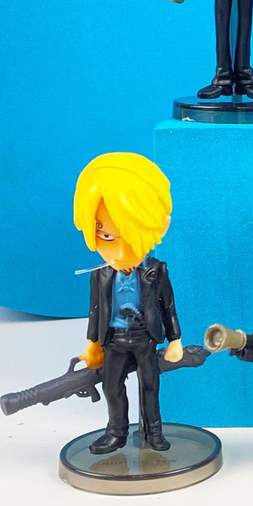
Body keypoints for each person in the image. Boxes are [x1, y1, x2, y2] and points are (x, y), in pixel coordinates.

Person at [74, 152, 182, 454]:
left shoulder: (156, 270)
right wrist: (93, 344)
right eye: (106, 236)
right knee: (111, 387)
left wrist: (175, 340)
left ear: (160, 227)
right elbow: (95, 311)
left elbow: (168, 306)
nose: (120, 252)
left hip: (145, 338)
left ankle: (154, 432)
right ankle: (116, 432)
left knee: (150, 386)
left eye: (130, 237)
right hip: (115, 340)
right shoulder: (100, 275)